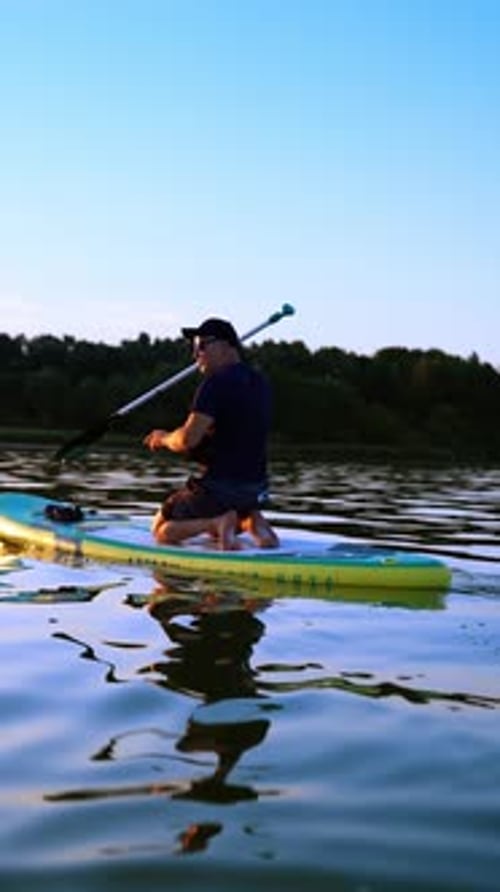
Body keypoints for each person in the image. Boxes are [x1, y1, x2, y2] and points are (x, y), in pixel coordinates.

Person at [144, 317, 279, 550]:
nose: (196, 354)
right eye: (195, 347)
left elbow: (188, 439)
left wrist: (162, 438)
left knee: (160, 529)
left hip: (220, 489)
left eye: (202, 345)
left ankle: (215, 524)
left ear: (226, 346)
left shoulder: (215, 384)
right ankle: (259, 529)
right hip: (256, 488)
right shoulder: (261, 383)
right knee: (240, 509)